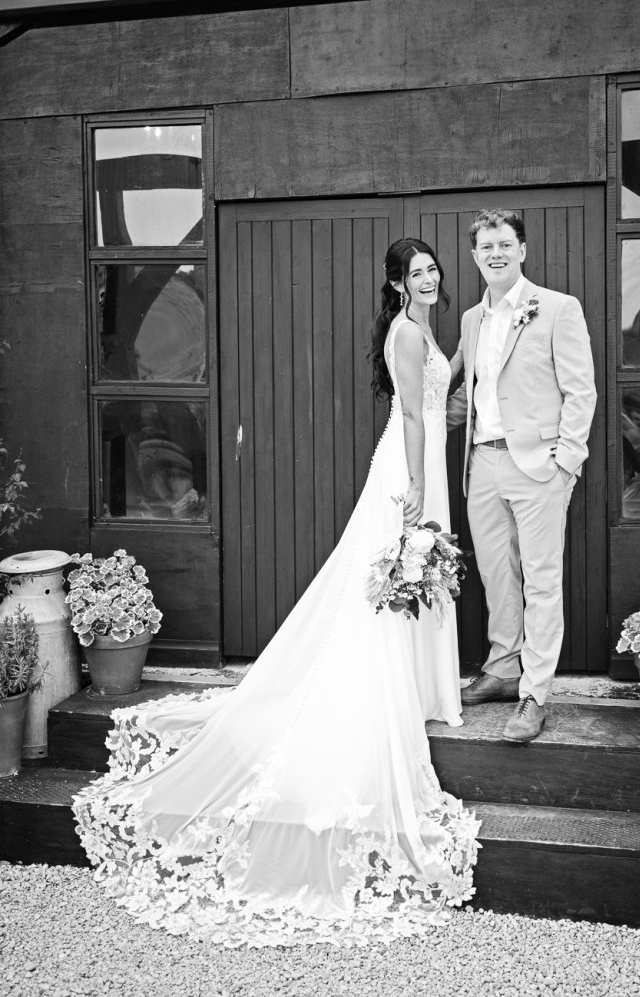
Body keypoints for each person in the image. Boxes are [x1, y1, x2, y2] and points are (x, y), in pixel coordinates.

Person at [72, 239, 478, 948]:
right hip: (410, 470)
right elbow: (414, 417)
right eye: (418, 273)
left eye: (434, 272)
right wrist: (416, 489)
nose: (430, 280)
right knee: (396, 579)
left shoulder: (425, 330)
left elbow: (435, 398)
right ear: (396, 282)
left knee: (409, 581)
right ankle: (399, 689)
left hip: (424, 464)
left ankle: (421, 685)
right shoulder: (408, 332)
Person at [447, 209, 596, 742]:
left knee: (541, 580)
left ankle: (534, 694)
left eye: (505, 244)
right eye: (486, 246)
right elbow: (464, 387)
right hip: (481, 464)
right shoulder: (471, 318)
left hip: (538, 466)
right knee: (495, 574)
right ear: (474, 255)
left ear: (523, 249)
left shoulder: (557, 308)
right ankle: (503, 668)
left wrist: (566, 463)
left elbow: (582, 390)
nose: (496, 253)